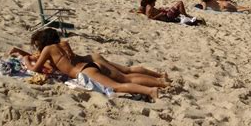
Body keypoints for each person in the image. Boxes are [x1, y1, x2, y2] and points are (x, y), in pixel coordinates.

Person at [10, 28, 165, 100]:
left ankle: (151, 91)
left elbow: (36, 69)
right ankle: (160, 82)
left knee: (117, 86)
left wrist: (25, 60)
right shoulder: (60, 46)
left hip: (84, 72)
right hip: (89, 64)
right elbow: (38, 57)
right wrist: (22, 53)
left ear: (43, 43)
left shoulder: (48, 50)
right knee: (126, 75)